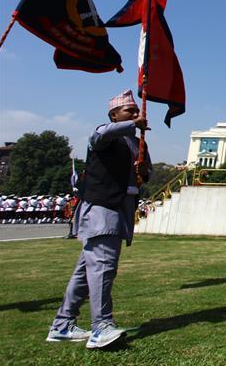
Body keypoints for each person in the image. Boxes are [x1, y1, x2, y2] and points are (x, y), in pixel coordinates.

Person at [47, 90, 150, 349]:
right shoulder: (105, 137)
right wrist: (130, 126)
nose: (136, 115)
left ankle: (63, 324)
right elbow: (102, 134)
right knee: (103, 268)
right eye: (130, 111)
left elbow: (143, 173)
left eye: (137, 111)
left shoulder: (136, 143)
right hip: (102, 210)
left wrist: (143, 164)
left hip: (119, 211)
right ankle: (101, 327)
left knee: (85, 273)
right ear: (114, 114)